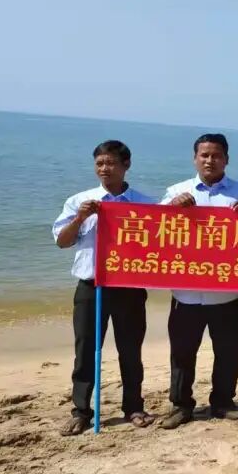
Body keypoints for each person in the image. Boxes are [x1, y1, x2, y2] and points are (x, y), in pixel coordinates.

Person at [52, 140, 154, 436]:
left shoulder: (144, 203)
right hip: (91, 286)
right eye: (99, 163)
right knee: (86, 350)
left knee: (130, 350)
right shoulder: (80, 201)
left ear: (126, 165)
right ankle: (81, 411)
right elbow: (62, 241)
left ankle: (133, 406)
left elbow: (159, 242)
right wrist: (81, 217)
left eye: (111, 163)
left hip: (129, 287)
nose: (105, 169)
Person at [158, 133, 238, 430]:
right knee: (182, 353)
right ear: (195, 159)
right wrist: (172, 207)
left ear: (226, 159)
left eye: (216, 155)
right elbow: (153, 228)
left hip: (228, 294)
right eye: (204, 155)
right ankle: (181, 405)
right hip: (186, 294)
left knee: (228, 352)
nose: (210, 160)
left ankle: (223, 402)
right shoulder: (177, 191)